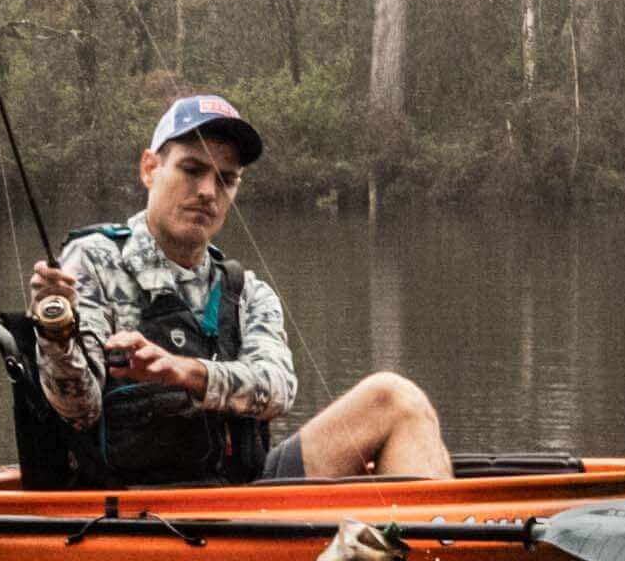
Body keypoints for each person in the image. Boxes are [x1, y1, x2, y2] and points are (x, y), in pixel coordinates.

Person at [23, 94, 456, 485]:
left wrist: (181, 371)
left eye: (226, 179)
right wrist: (55, 334)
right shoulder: (93, 261)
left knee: (396, 399)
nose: (208, 192)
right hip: (133, 505)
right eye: (192, 170)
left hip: (244, 497)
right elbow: (78, 411)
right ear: (150, 169)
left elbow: (278, 390)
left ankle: (436, 560)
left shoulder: (246, 290)